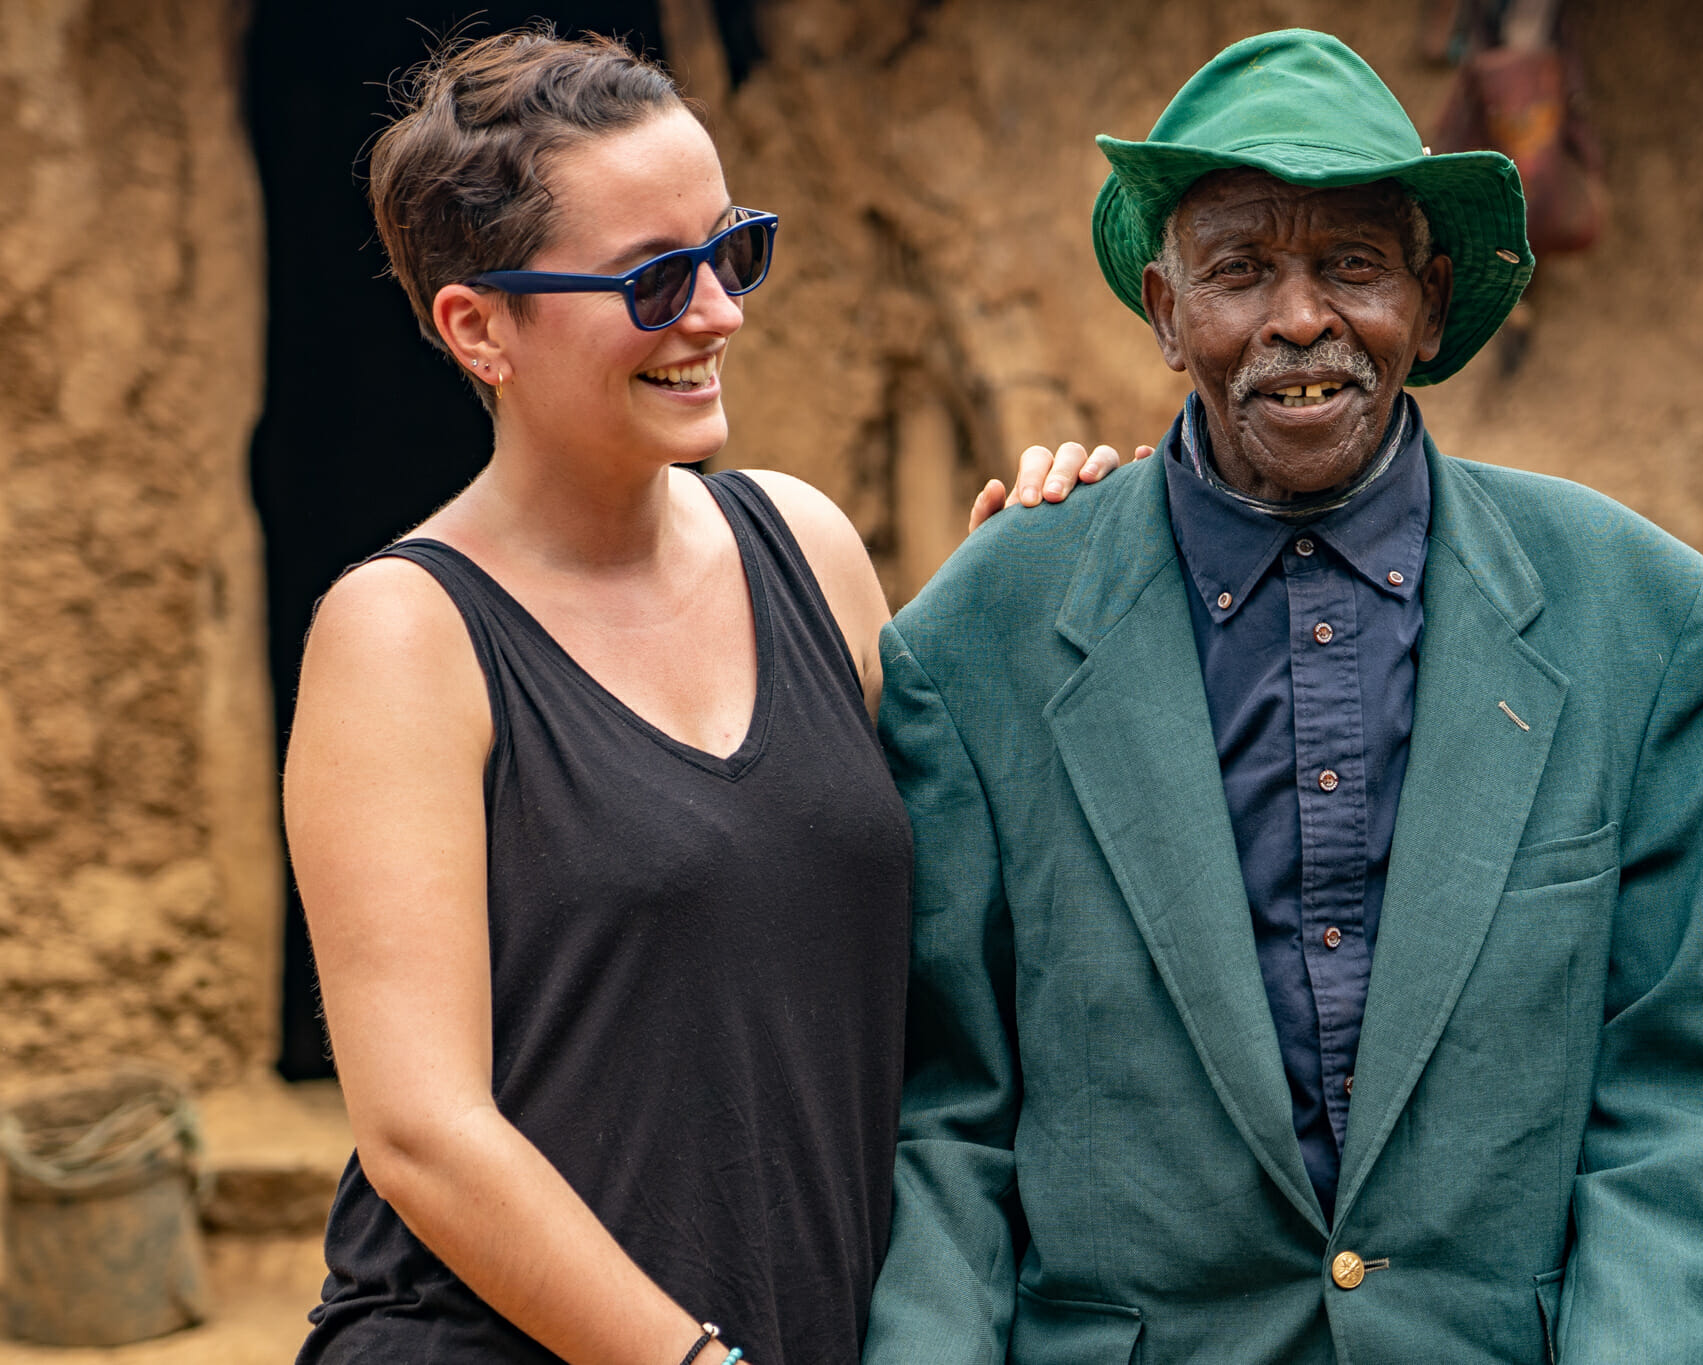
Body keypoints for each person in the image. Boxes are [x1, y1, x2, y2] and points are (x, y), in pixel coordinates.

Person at [864, 28, 1703, 1365]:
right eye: (1240, 269)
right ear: (1163, 309)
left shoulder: (1640, 624)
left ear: (1424, 296)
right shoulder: (979, 640)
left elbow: (1688, 1089)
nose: (1300, 316)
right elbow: (942, 1126)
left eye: (1349, 264)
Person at [284, 27, 1119, 1365]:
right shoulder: (403, 635)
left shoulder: (811, 547)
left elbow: (972, 922)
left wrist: (1042, 583)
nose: (718, 313)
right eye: (655, 278)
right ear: (477, 326)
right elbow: (423, 1135)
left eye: (729, 251)